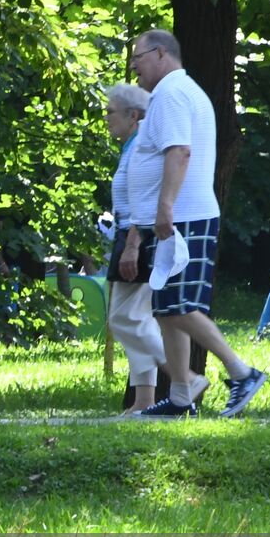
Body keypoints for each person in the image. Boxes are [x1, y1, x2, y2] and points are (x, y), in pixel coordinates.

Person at [125, 29, 265, 417]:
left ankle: (241, 372)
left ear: (159, 54)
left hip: (183, 216)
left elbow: (180, 152)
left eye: (137, 56)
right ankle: (182, 397)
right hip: (178, 216)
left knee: (181, 305)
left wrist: (165, 207)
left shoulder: (171, 94)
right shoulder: (176, 93)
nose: (133, 64)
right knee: (167, 307)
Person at [102, 83, 169, 415]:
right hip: (128, 235)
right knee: (131, 317)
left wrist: (132, 246)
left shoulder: (141, 149)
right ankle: (144, 401)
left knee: (126, 317)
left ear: (134, 114)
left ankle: (184, 375)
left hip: (136, 237)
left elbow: (143, 202)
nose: (105, 118)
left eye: (110, 112)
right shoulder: (132, 146)